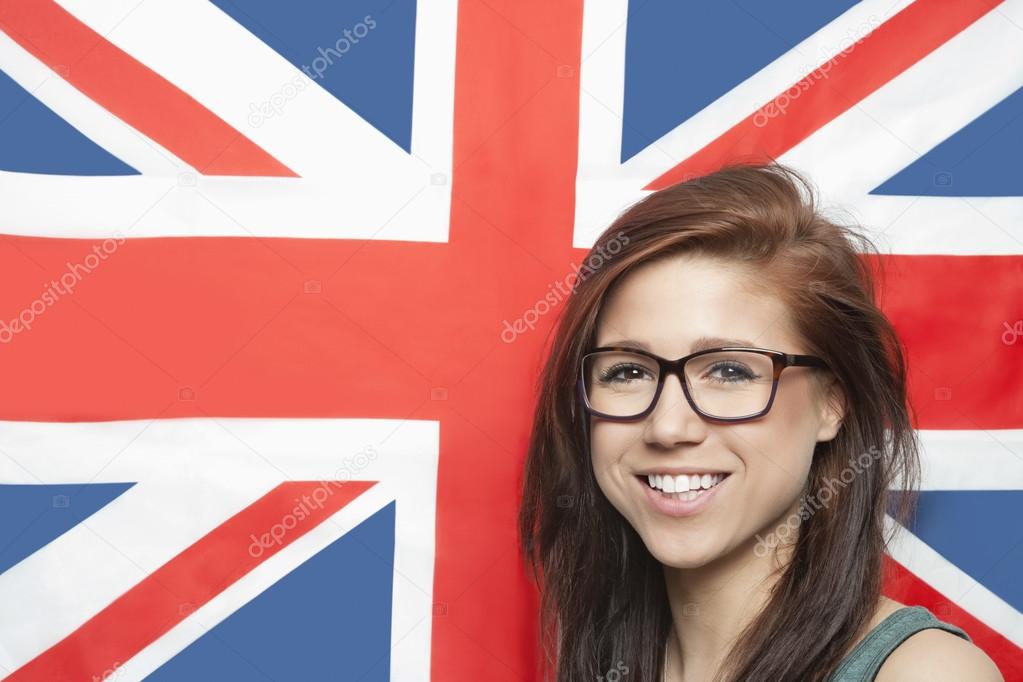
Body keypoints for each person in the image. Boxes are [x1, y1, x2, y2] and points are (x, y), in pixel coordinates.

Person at [517, 162, 1003, 681]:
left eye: (728, 371)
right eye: (629, 370)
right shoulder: (607, 660)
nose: (667, 427)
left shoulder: (924, 674)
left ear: (832, 403)